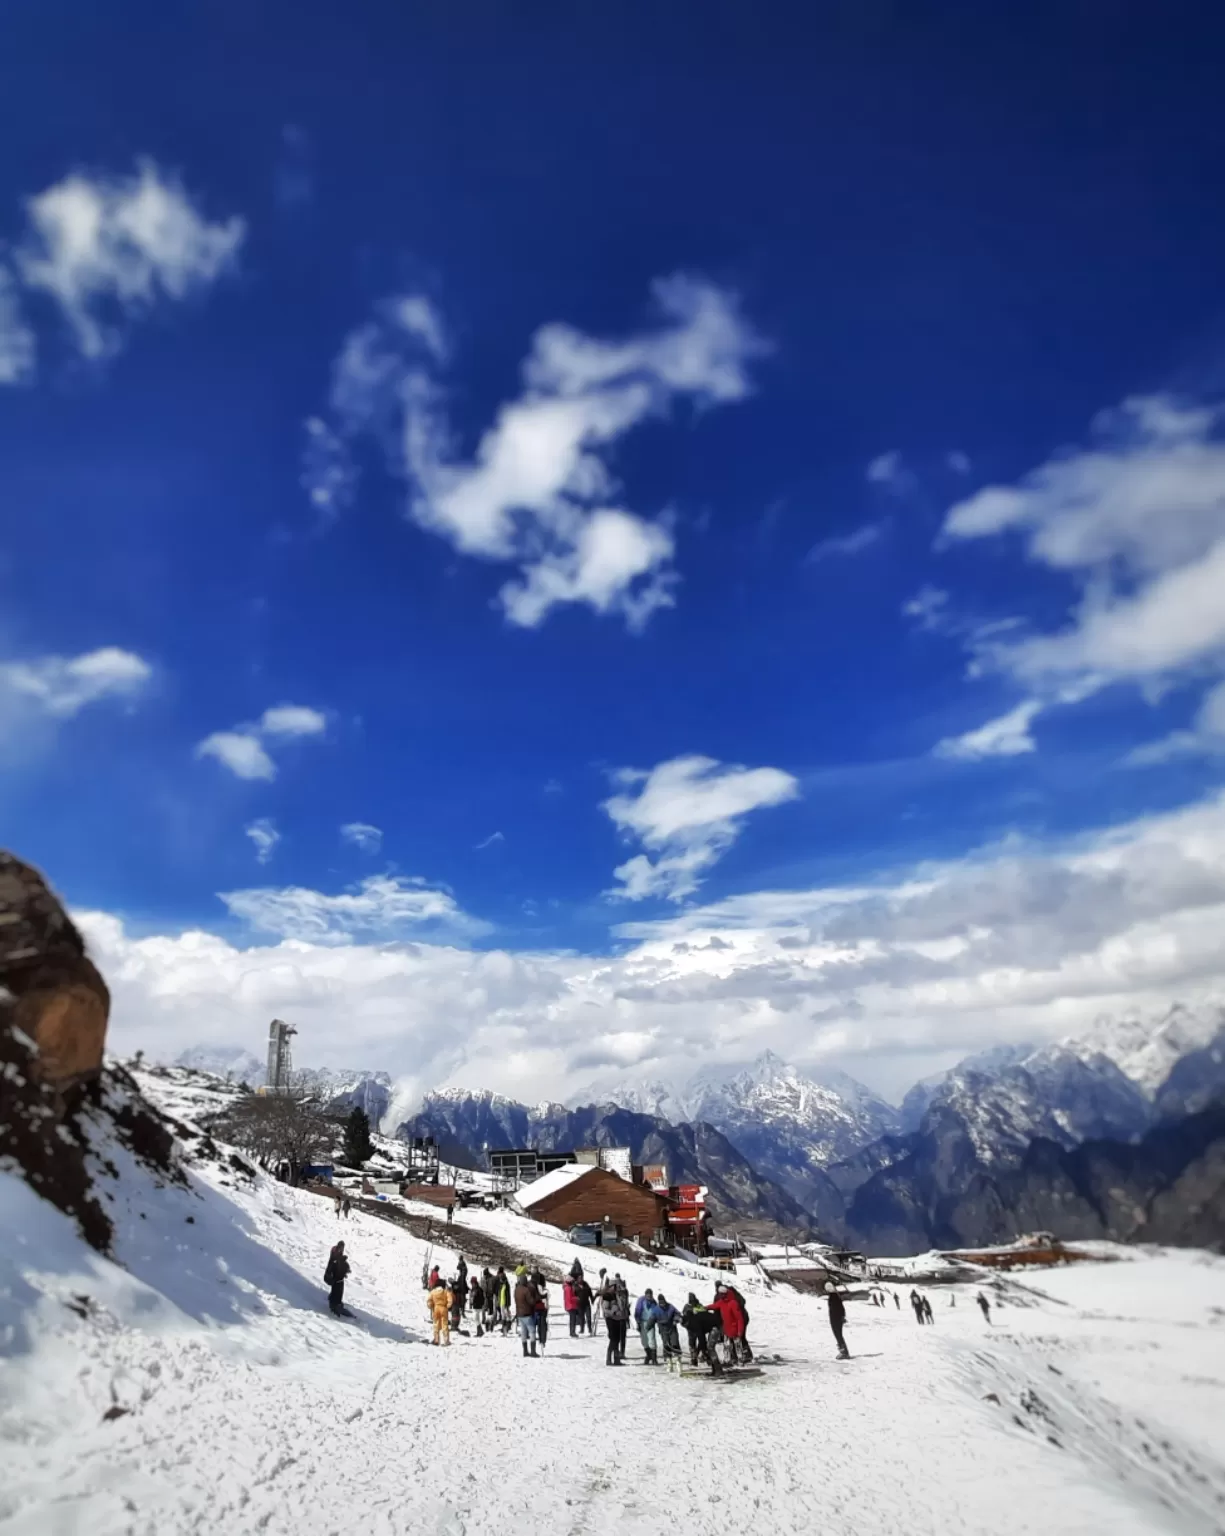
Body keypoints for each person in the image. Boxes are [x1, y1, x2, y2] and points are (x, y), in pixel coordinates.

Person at [708, 1283, 749, 1365]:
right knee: (727, 1346)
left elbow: (739, 1318)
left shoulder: (733, 1303)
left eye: (722, 1294)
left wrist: (740, 1330)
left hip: (734, 1328)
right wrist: (704, 1308)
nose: (720, 1296)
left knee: (737, 1345)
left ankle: (740, 1360)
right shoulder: (722, 1302)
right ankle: (727, 1360)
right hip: (726, 1328)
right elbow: (714, 1306)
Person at [681, 1294, 723, 1375]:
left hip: (716, 1326)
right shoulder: (693, 1319)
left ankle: (718, 1369)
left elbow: (701, 1338)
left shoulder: (694, 1323)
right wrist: (701, 1349)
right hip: (714, 1325)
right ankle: (715, 1369)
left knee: (710, 1348)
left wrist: (701, 1350)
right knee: (708, 1348)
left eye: (685, 1325)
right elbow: (702, 1338)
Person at [600, 1273, 628, 1366]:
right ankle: (608, 1358)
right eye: (615, 1286)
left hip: (618, 1319)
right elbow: (605, 1309)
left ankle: (616, 1359)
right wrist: (613, 1312)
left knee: (617, 1338)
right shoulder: (607, 1296)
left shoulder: (616, 1295)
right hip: (611, 1319)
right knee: (613, 1339)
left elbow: (621, 1305)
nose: (616, 1288)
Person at [514, 1271, 540, 1357]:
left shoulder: (517, 1289)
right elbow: (531, 1302)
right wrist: (536, 1298)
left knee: (523, 1332)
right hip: (527, 1313)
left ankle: (525, 1351)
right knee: (532, 1331)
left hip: (519, 1314)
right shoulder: (526, 1290)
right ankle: (533, 1351)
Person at [324, 1240, 351, 1316]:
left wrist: (345, 1269)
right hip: (334, 1277)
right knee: (336, 1289)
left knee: (339, 1289)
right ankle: (334, 1306)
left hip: (339, 1277)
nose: (342, 1249)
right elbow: (333, 1262)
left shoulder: (339, 1253)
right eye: (341, 1247)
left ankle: (337, 1303)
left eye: (343, 1247)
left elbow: (341, 1262)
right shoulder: (335, 1252)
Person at [655, 1293, 682, 1365]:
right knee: (666, 1343)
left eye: (663, 1302)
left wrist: (676, 1320)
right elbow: (652, 1318)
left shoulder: (670, 1307)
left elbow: (678, 1313)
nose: (662, 1304)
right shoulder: (656, 1309)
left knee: (675, 1342)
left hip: (672, 1327)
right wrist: (648, 1326)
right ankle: (668, 1359)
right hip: (663, 1329)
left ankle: (678, 1358)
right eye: (661, 1303)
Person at [634, 1288, 658, 1365]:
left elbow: (656, 1312)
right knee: (644, 1341)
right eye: (647, 1295)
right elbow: (637, 1311)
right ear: (645, 1295)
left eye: (650, 1295)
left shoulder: (654, 1302)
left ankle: (654, 1358)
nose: (649, 1297)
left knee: (652, 1339)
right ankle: (648, 1355)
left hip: (650, 1322)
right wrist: (638, 1322)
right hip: (642, 1321)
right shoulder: (641, 1301)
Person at [428, 1277, 452, 1346]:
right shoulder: (445, 1291)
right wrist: (448, 1306)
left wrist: (431, 1306)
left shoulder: (433, 1292)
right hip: (443, 1308)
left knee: (436, 1324)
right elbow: (450, 1299)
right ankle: (446, 1341)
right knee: (445, 1324)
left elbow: (429, 1300)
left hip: (436, 1308)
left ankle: (436, 1340)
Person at [827, 1286, 850, 1359]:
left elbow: (837, 1309)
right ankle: (843, 1351)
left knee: (838, 1335)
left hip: (835, 1319)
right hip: (837, 1318)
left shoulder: (833, 1297)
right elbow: (841, 1308)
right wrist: (843, 1316)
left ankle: (844, 1352)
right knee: (839, 1335)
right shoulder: (836, 1296)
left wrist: (841, 1317)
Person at [533, 1272, 550, 1352]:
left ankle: (538, 1341)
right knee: (542, 1326)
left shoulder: (532, 1287)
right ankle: (542, 1340)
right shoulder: (543, 1289)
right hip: (543, 1309)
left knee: (536, 1325)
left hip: (535, 1309)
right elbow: (546, 1299)